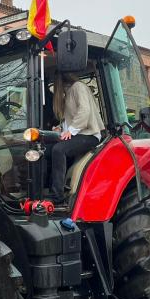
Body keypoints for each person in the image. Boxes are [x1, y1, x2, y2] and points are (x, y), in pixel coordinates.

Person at [49, 73, 105, 204]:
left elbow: (84, 111)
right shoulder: (68, 93)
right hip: (81, 133)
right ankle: (48, 189)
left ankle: (57, 196)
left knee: (59, 150)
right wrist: (61, 129)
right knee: (48, 150)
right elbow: (71, 119)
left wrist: (71, 130)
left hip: (90, 135)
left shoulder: (78, 87)